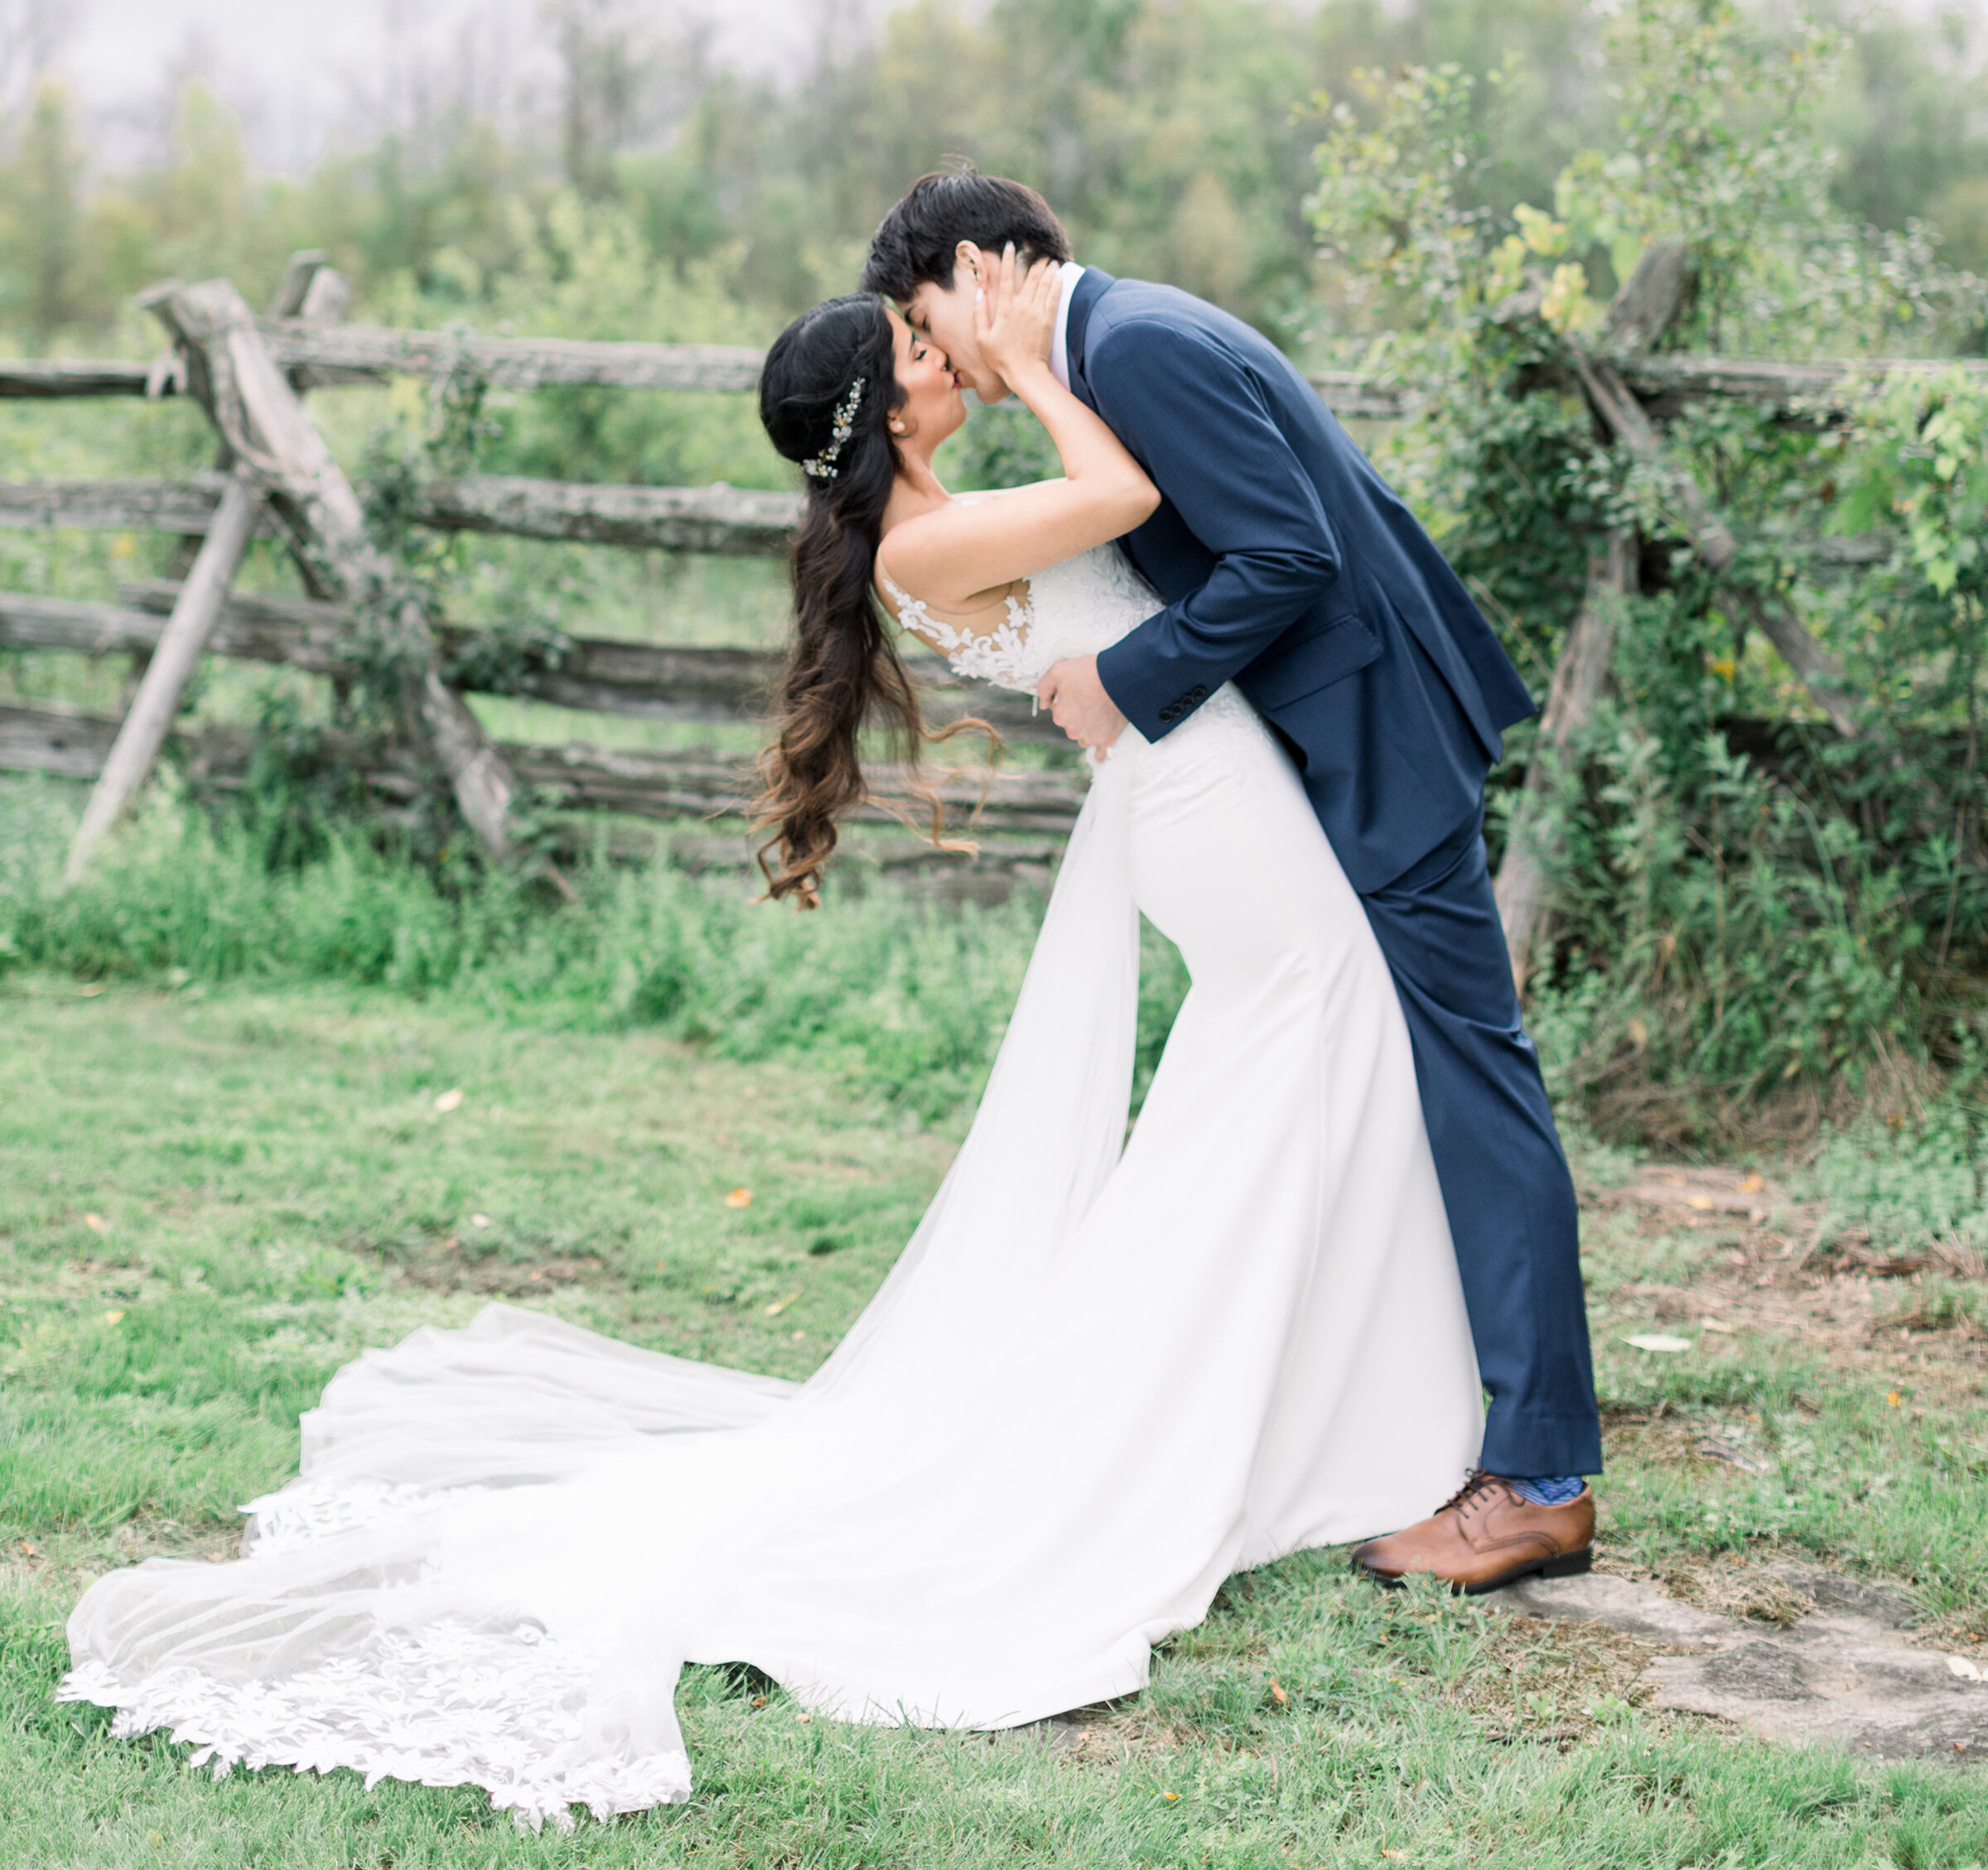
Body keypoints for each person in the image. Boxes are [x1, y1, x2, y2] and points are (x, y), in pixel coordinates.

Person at [61, 246, 1493, 1829]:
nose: (945, 346)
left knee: (1294, 1067)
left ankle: (1309, 1381)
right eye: (918, 343)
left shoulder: (925, 523)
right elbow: (1128, 494)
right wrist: (1038, 371)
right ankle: (1215, 1397)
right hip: (1211, 815)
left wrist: (1022, 376)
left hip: (1206, 799)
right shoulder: (931, 539)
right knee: (1304, 1047)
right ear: (892, 405)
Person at [861, 168, 1601, 1590]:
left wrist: (1125, 681)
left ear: (974, 263)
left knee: (1473, 1075)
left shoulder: (1131, 347)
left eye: (925, 317)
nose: (940, 356)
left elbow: (1292, 550)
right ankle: (1429, 1417)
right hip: (1338, 737)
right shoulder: (1116, 344)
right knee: (1412, 1066)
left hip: (1374, 735)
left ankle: (1543, 1480)